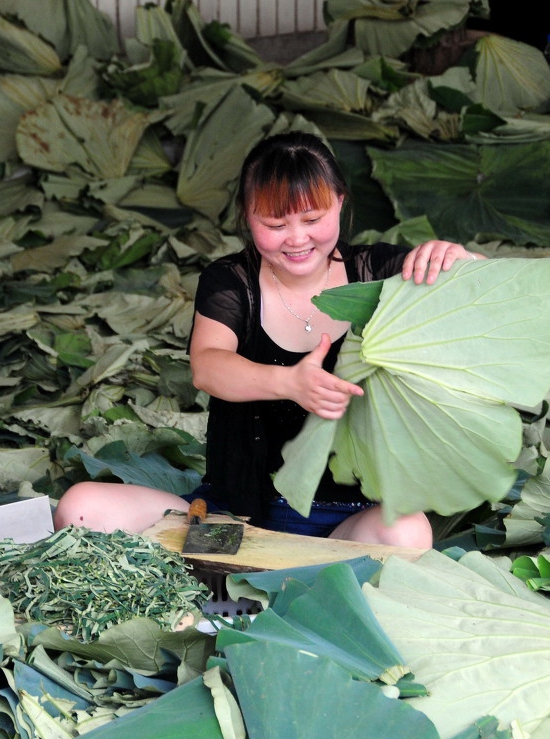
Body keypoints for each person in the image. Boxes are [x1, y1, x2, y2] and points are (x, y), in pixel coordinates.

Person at [53, 131, 485, 550]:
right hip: (233, 523)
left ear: (340, 203)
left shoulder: (383, 272)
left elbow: (497, 297)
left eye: (313, 220)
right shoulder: (230, 281)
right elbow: (207, 365)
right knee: (81, 508)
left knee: (408, 533)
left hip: (350, 526)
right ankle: (245, 575)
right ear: (247, 216)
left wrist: (461, 261)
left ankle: (291, 576)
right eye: (275, 223)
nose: (297, 239)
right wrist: (291, 383)